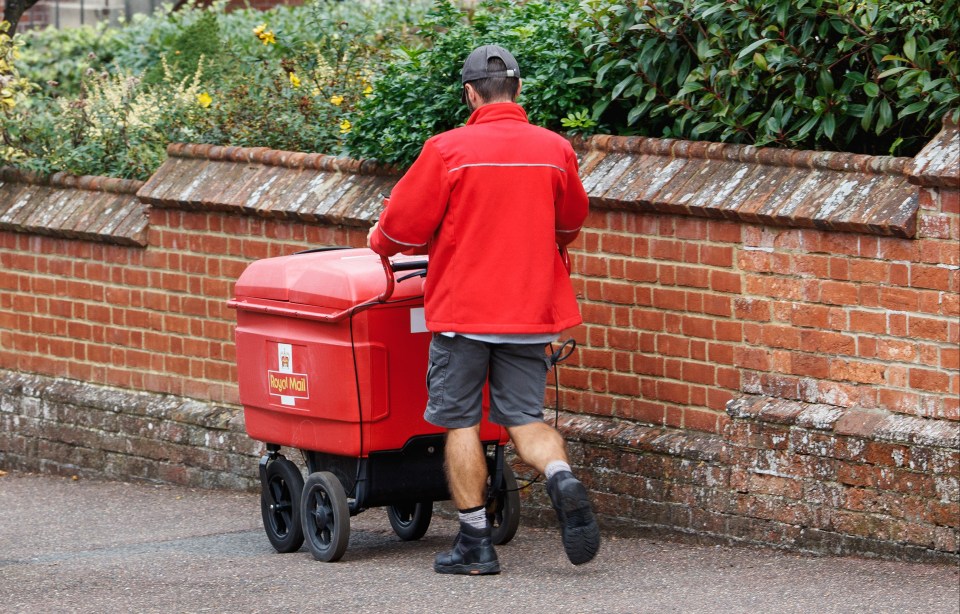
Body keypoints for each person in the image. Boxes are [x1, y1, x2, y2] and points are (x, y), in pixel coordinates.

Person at [367, 44, 599, 575]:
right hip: (529, 310)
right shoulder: (554, 149)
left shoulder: (448, 149)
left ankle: (475, 543)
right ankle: (560, 473)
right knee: (524, 419)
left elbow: (403, 225)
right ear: (518, 90)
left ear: (470, 93)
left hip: (464, 312)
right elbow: (570, 223)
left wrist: (379, 242)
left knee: (461, 419)